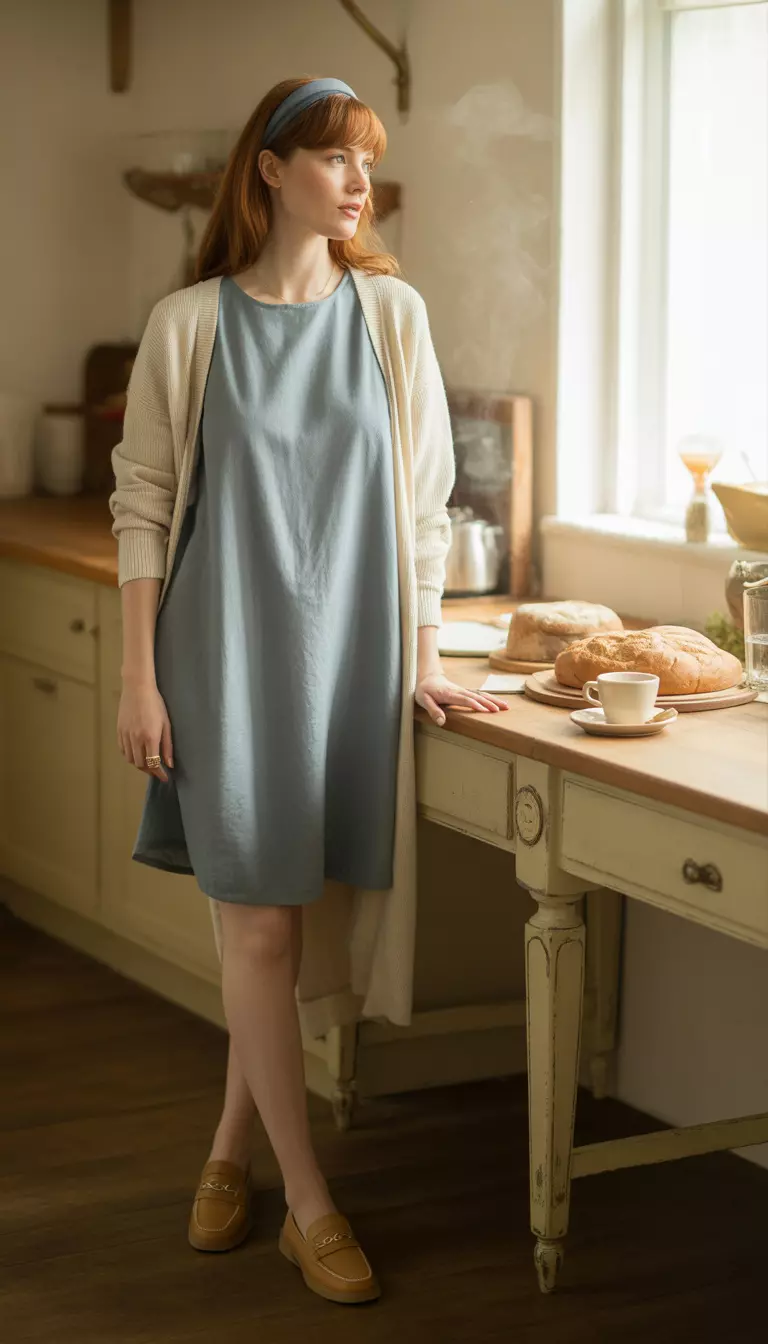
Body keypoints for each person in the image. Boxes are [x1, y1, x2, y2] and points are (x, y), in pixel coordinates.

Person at [109, 75, 510, 1307]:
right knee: (264, 925)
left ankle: (231, 1153)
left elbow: (428, 501)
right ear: (270, 171)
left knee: (281, 935)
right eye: (334, 159)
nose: (356, 184)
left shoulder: (391, 314)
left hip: (351, 659)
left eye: (366, 164)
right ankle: (312, 1206)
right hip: (219, 660)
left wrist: (428, 658)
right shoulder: (189, 325)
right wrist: (139, 679)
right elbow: (145, 507)